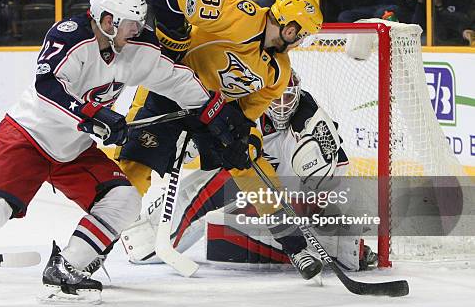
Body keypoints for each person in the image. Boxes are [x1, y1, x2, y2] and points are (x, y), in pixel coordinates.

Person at [0, 0, 243, 305]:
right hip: (28, 136)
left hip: (73, 149)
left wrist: (213, 112)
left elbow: (175, 78)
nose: (137, 29)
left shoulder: (136, 48)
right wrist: (95, 116)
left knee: (124, 200)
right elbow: (49, 88)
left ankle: (66, 269)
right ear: (107, 19)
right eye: (129, 23)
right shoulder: (70, 36)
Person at [117, 0, 326, 280]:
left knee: (251, 161)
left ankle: (294, 245)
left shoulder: (279, 72)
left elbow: (244, 116)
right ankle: (92, 247)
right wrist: (173, 43)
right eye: (302, 34)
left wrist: (242, 138)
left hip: (211, 111)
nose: (300, 41)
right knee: (132, 167)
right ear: (290, 27)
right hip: (170, 91)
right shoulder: (240, 16)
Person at [121, 71, 378, 272]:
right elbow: (213, 135)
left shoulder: (310, 122)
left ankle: (341, 249)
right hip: (249, 184)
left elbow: (337, 173)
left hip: (286, 196)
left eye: (288, 97)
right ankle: (146, 238)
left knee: (342, 249)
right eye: (276, 98)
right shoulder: (247, 107)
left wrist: (330, 210)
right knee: (204, 188)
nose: (281, 106)